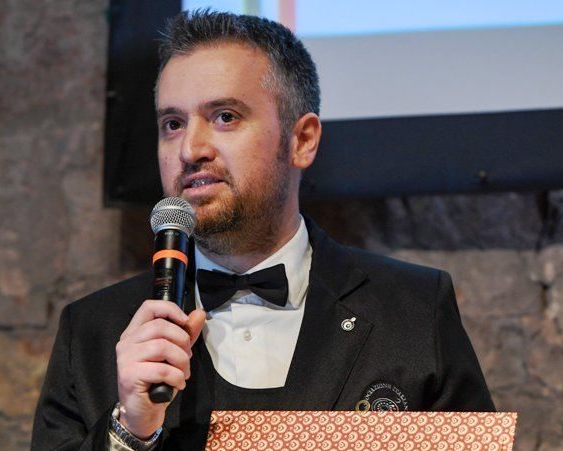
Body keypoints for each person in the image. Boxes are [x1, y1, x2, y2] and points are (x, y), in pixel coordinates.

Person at [32, 9, 494, 451]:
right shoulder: (92, 331)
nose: (190, 149)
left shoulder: (413, 309)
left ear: (302, 140)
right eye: (172, 124)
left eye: (225, 117)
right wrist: (130, 430)